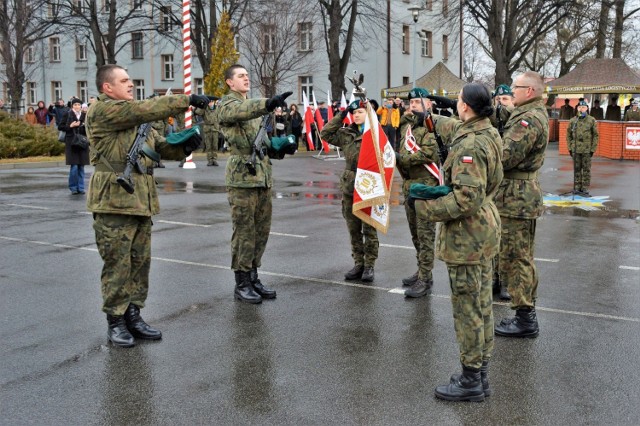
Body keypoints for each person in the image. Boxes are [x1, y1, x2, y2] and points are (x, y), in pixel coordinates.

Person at [85, 64, 207, 347]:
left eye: (130, 80)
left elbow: (158, 147)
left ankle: (133, 315)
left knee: (140, 262)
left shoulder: (138, 119)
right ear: (107, 87)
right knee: (118, 264)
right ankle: (115, 321)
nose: (130, 85)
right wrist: (186, 100)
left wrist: (186, 144)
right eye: (124, 81)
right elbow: (142, 110)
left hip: (141, 199)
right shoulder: (103, 111)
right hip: (114, 201)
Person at [415, 82, 502, 402]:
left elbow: (465, 198)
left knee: (469, 309)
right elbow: (453, 127)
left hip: (468, 236)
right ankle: (479, 373)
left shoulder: (470, 145)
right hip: (483, 231)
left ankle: (470, 380)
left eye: (457, 101)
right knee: (482, 306)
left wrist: (427, 208)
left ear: (465, 106)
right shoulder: (486, 131)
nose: (455, 105)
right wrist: (430, 112)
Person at [217, 64, 295, 304]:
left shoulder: (252, 108)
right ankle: (241, 282)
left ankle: (253, 276)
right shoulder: (227, 105)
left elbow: (262, 142)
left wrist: (280, 147)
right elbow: (240, 112)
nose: (246, 79)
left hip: (261, 176)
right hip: (242, 178)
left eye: (247, 76)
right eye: (241, 76)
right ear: (230, 82)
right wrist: (267, 104)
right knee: (244, 232)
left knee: (261, 231)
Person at [494, 71, 549, 339]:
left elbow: (505, 156)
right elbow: (504, 119)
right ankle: (524, 313)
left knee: (517, 258)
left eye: (516, 87)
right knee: (520, 256)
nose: (512, 91)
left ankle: (525, 318)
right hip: (518, 195)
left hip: (517, 197)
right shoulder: (528, 112)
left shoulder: (528, 119)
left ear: (529, 91)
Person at [321, 99, 379, 283]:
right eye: (354, 113)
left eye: (360, 112)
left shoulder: (376, 134)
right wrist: (342, 114)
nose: (356, 115)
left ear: (368, 113)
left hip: (369, 185)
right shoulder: (347, 134)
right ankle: (358, 263)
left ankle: (369, 265)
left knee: (369, 229)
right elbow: (325, 133)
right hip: (349, 186)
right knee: (353, 228)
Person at [395, 88, 439, 298]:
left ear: (429, 104)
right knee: (415, 233)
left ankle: (426, 278)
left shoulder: (434, 125)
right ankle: (421, 269)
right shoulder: (407, 127)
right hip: (410, 185)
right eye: (411, 103)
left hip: (426, 186)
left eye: (418, 103)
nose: (413, 106)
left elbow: (430, 152)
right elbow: (403, 149)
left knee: (425, 233)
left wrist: (403, 159)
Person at [489, 84, 514, 301]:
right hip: (493, 186)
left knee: (507, 238)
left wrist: (502, 110)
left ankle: (506, 280)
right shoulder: (491, 122)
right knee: (493, 234)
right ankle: (495, 278)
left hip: (512, 189)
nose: (501, 103)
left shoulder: (517, 122)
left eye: (505, 99)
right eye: (498, 100)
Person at [567, 100, 599, 197]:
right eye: (580, 107)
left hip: (586, 149)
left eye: (584, 107)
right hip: (576, 149)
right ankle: (577, 187)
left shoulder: (591, 120)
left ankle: (584, 188)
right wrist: (570, 147)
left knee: (586, 170)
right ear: (577, 108)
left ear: (587, 108)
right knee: (576, 169)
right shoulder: (573, 120)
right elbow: (568, 135)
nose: (582, 109)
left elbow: (596, 135)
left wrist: (593, 149)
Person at [58, 98, 90, 194]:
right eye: (75, 105)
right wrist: (70, 126)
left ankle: (81, 187)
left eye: (78, 105)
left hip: (82, 143)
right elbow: (60, 127)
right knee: (74, 166)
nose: (77, 106)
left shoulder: (84, 115)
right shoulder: (67, 114)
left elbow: (88, 129)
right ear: (72, 106)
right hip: (71, 143)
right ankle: (73, 188)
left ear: (81, 106)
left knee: (81, 167)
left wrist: (83, 126)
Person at [195, 97, 221, 166]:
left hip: (215, 128)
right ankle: (210, 159)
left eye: (212, 102)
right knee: (208, 145)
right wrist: (203, 106)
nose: (211, 103)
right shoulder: (205, 109)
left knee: (215, 145)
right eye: (209, 102)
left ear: (214, 102)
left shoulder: (217, 108)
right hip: (207, 128)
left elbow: (222, 115)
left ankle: (214, 159)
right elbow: (198, 112)